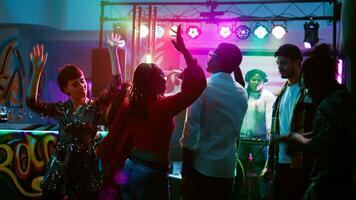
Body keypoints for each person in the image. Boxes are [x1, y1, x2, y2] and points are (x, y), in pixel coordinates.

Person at [99, 24, 206, 200]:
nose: (166, 79)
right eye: (162, 76)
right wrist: (184, 51)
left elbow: (114, 137)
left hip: (130, 167)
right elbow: (199, 85)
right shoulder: (163, 106)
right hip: (151, 173)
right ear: (154, 81)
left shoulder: (130, 106)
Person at [26, 33, 123, 200]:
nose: (82, 86)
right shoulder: (60, 109)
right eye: (75, 84)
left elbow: (117, 83)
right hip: (60, 167)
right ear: (66, 89)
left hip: (86, 169)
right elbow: (32, 102)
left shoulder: (95, 106)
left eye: (83, 80)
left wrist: (112, 51)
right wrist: (37, 72)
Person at [283, 44, 356, 199]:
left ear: (318, 81)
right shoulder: (342, 97)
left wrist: (297, 139)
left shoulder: (329, 105)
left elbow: (321, 145)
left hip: (333, 180)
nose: (308, 91)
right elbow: (331, 131)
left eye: (308, 85)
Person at [180, 42, 248, 200]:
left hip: (203, 167)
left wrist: (185, 175)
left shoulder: (202, 88)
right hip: (228, 169)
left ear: (218, 59)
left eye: (212, 55)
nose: (208, 58)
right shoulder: (242, 93)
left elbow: (190, 132)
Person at [260, 44, 316, 200]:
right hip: (281, 161)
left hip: (303, 163)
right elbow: (275, 131)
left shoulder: (309, 91)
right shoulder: (280, 93)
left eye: (284, 63)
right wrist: (269, 165)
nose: (280, 67)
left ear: (298, 63)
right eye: (278, 64)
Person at [238, 69, 275, 200]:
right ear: (248, 80)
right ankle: (238, 194)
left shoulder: (268, 96)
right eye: (253, 79)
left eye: (259, 80)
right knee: (239, 168)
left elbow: (270, 117)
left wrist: (271, 134)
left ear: (264, 81)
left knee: (261, 169)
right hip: (242, 139)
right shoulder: (242, 94)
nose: (256, 82)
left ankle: (264, 196)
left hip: (259, 140)